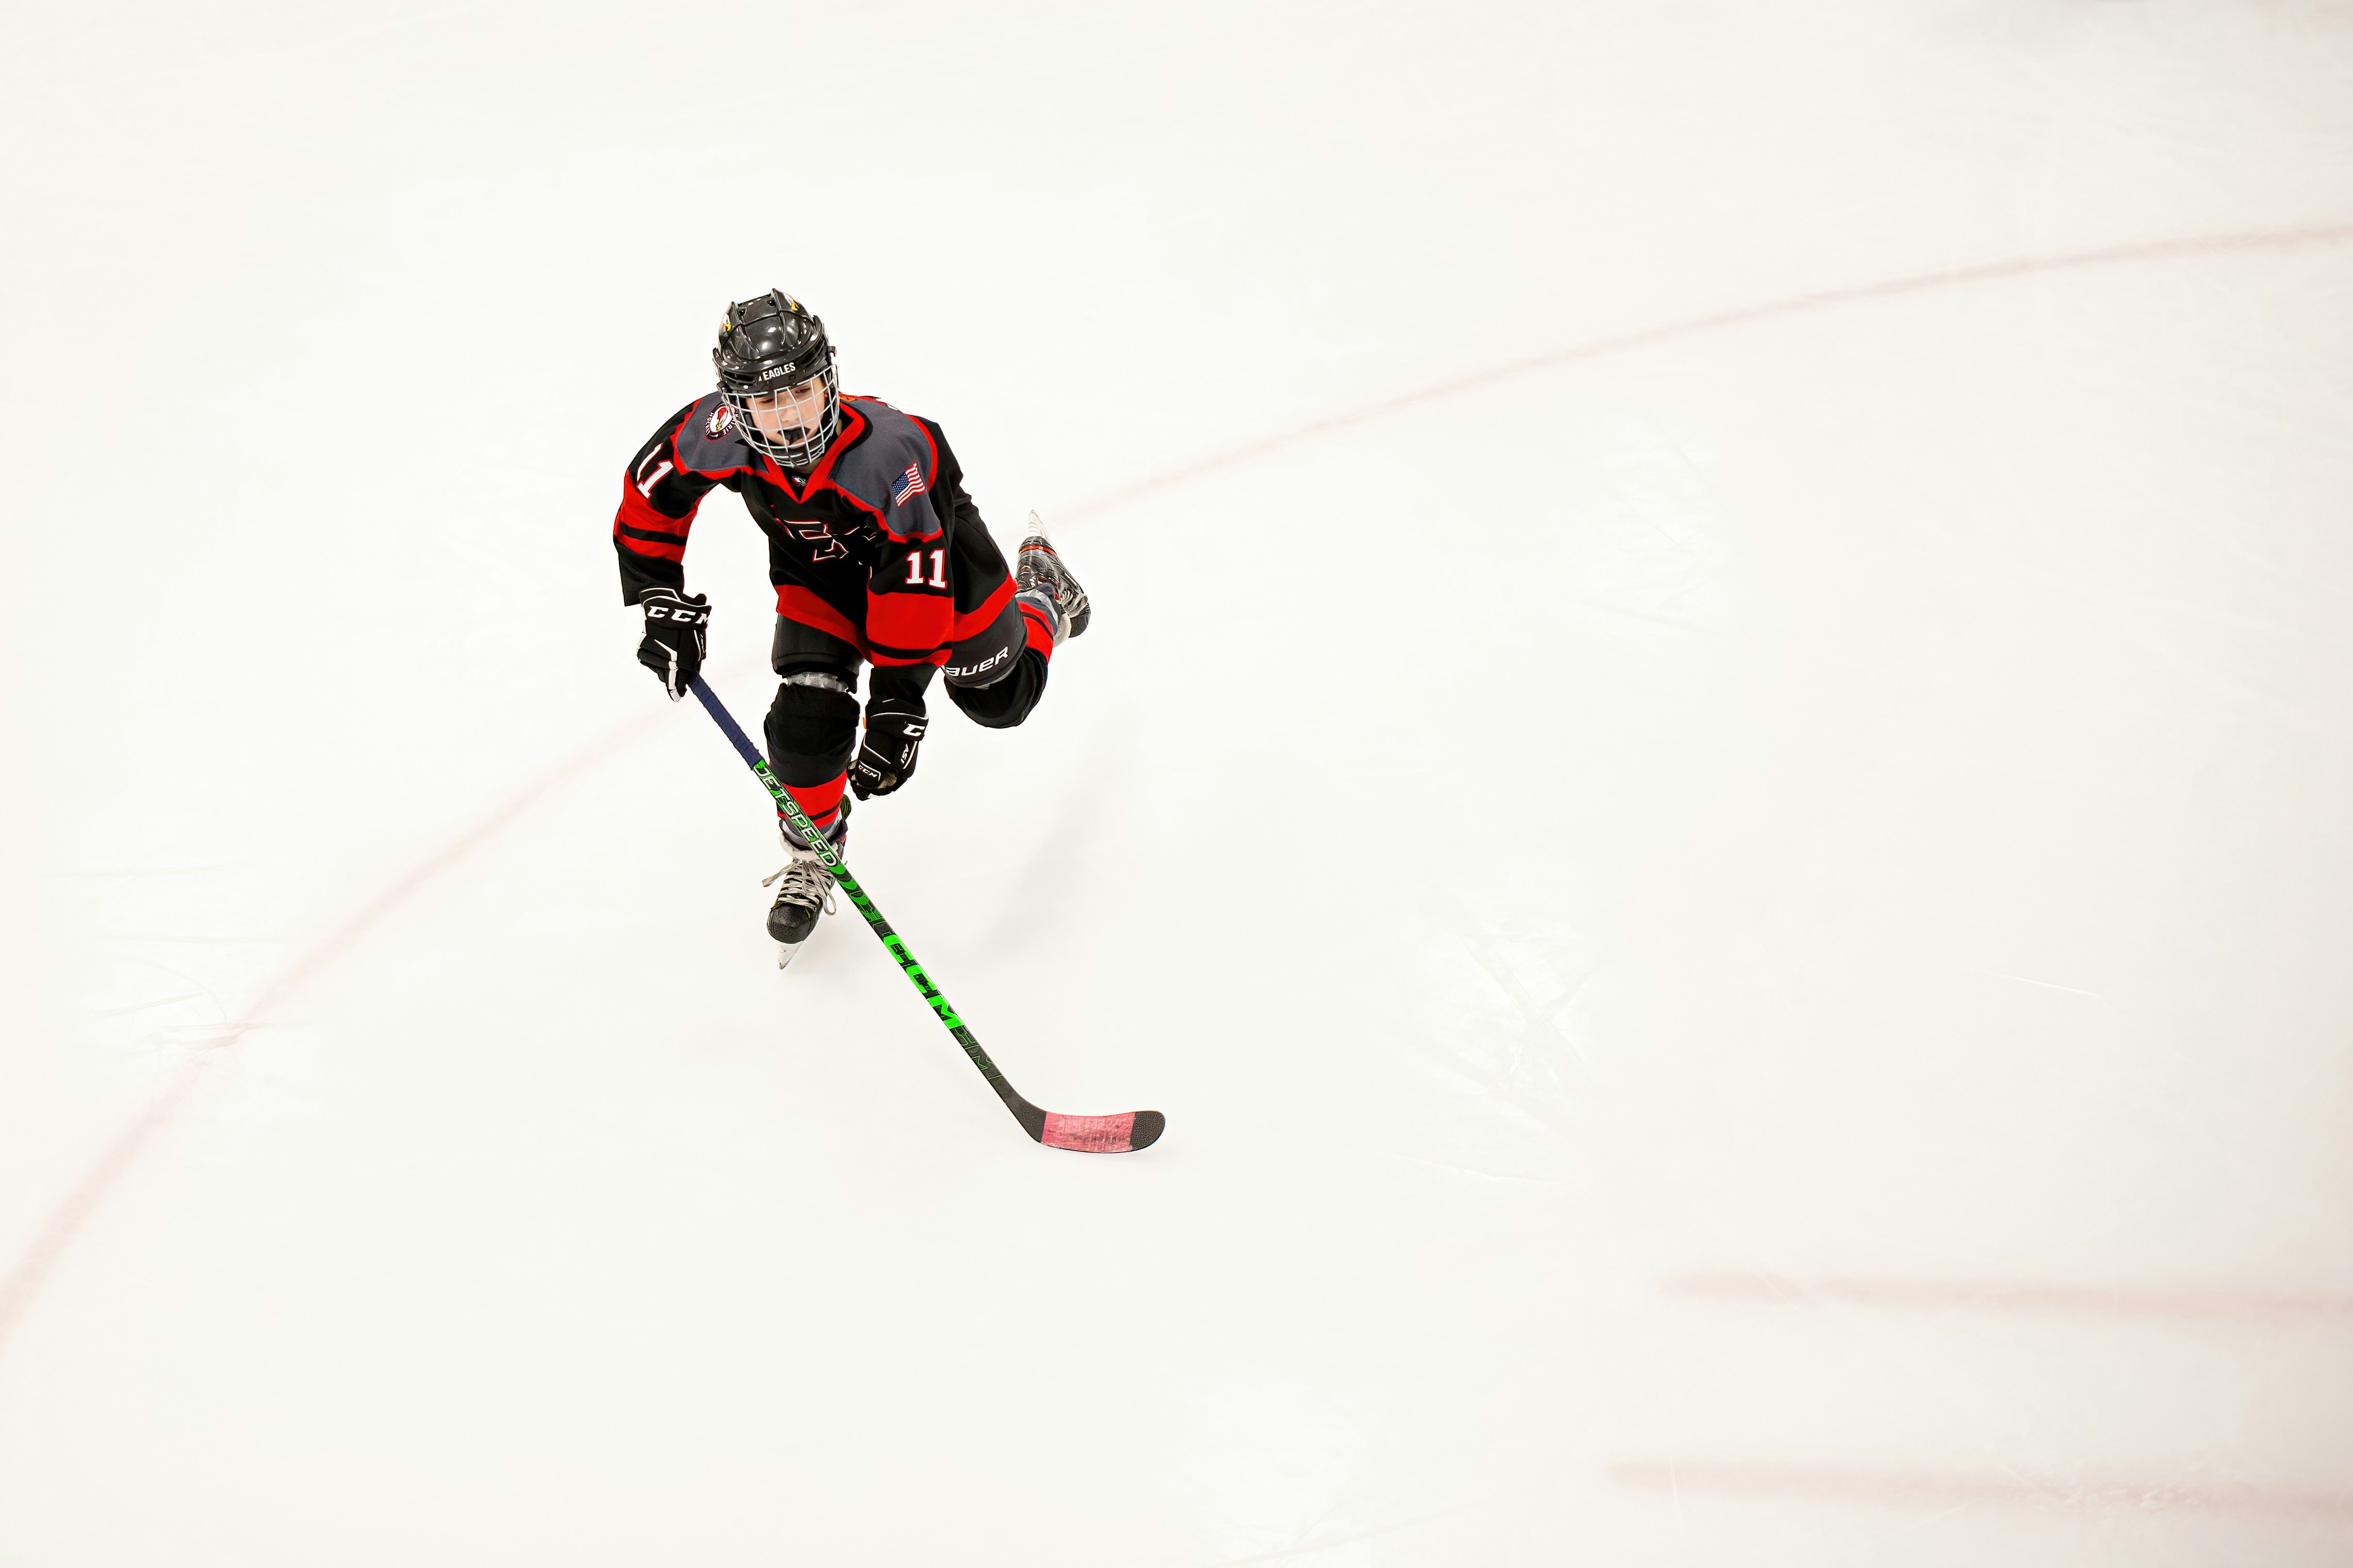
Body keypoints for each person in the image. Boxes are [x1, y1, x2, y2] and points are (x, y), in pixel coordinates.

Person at [613, 289, 1090, 966]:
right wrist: (658, 597)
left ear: (828, 379)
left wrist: (897, 703)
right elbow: (650, 492)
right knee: (804, 722)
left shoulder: (894, 453)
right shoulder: (716, 432)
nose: (789, 420)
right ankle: (814, 845)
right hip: (822, 583)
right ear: (737, 405)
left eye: (802, 393)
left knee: (998, 700)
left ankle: (1042, 595)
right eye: (768, 403)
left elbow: (913, 588)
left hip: (945, 569)